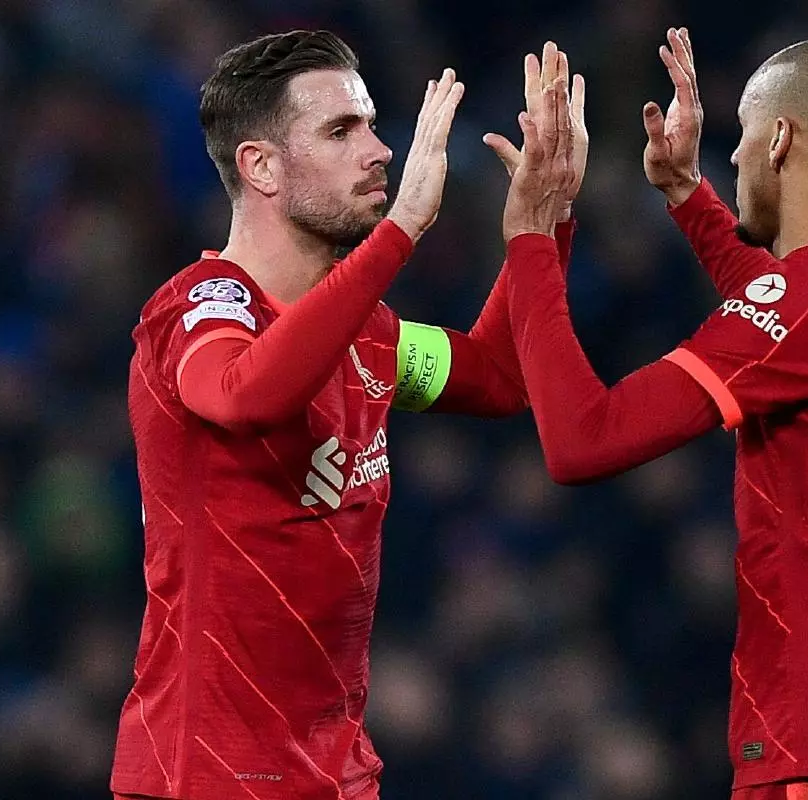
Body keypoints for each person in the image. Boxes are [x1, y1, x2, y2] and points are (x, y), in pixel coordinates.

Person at [499, 28, 808, 800]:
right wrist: (688, 195)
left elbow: (581, 441)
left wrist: (533, 236)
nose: (733, 154)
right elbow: (797, 323)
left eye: (745, 134)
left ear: (781, 139)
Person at [110, 31, 587, 800]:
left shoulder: (367, 334)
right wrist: (400, 232)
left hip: (337, 775)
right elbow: (240, 394)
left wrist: (543, 223)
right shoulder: (200, 309)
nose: (381, 150)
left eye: (369, 123)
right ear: (261, 166)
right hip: (206, 775)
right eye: (340, 131)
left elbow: (500, 377)